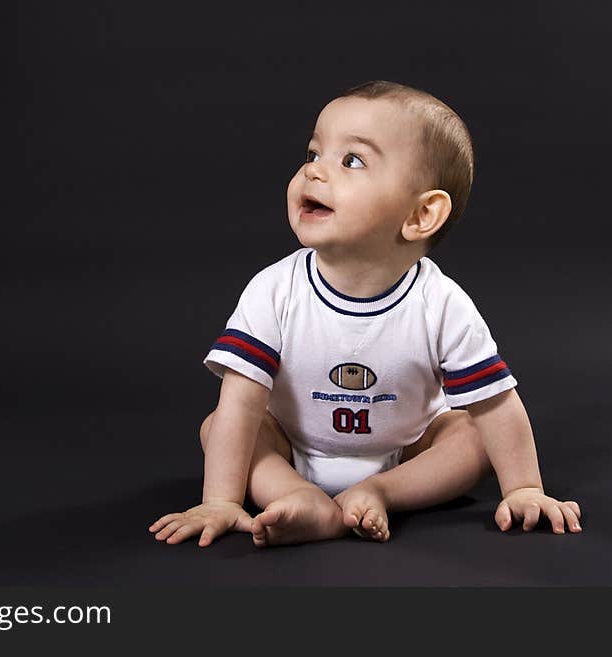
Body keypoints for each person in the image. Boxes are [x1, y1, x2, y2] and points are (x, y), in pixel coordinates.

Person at [149, 80, 582, 547]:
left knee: (472, 435)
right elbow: (241, 400)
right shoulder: (274, 290)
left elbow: (496, 404)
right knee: (219, 427)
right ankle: (300, 497)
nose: (313, 172)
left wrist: (523, 488)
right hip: (292, 447)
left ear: (420, 215)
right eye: (314, 153)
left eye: (351, 161)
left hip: (407, 450)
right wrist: (220, 499)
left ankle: (380, 492)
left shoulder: (441, 304)